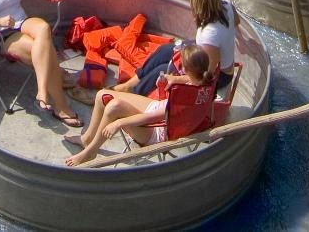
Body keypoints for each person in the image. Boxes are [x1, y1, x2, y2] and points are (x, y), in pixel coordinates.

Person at [64, 44, 214, 166]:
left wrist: (118, 123)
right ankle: (87, 139)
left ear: (187, 69)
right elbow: (191, 78)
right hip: (161, 110)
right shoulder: (207, 80)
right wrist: (173, 78)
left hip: (157, 132)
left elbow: (149, 118)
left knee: (113, 107)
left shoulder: (183, 96)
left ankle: (91, 151)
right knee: (101, 95)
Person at [113, 0, 237, 95]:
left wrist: (175, 78)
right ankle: (128, 86)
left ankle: (134, 92)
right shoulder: (226, 3)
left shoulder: (209, 35)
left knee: (162, 71)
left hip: (219, 77)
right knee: (164, 51)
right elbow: (237, 21)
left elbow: (206, 75)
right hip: (206, 56)